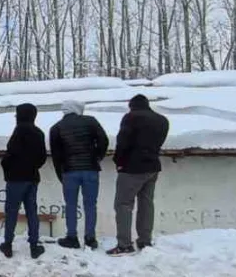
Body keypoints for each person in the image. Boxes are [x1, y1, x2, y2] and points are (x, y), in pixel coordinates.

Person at [109, 94, 170, 255]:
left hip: (131, 168)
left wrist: (119, 162)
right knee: (146, 204)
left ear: (132, 106)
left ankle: (124, 244)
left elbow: (123, 142)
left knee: (123, 205)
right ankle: (145, 240)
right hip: (153, 166)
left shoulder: (131, 118)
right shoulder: (162, 120)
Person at [49, 100, 109, 250]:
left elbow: (56, 156)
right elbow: (104, 140)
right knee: (90, 205)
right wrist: (97, 157)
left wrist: (60, 174)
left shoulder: (56, 128)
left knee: (70, 205)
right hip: (90, 169)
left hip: (69, 171)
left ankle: (72, 237)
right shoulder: (91, 121)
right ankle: (90, 238)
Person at [0, 103, 48, 259]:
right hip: (32, 177)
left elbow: (10, 154)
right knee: (32, 212)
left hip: (15, 179)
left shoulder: (19, 131)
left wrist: (6, 167)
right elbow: (42, 158)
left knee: (12, 212)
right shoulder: (39, 133)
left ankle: (7, 244)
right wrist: (32, 166)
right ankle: (34, 245)